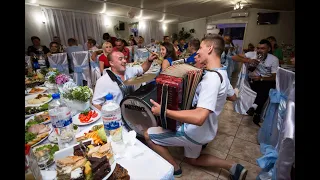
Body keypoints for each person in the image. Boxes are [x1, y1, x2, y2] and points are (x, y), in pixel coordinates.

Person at [144, 34, 245, 180]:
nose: (198, 53)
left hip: (193, 131)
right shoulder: (222, 73)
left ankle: (175, 168)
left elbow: (198, 118)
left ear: (210, 49)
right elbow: (233, 97)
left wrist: (163, 111)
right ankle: (233, 166)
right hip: (208, 130)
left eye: (201, 49)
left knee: (148, 135)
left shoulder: (211, 79)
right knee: (193, 160)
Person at [232, 39, 279, 126]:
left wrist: (261, 78)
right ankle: (257, 112)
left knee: (265, 87)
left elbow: (274, 77)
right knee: (263, 90)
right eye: (258, 48)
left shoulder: (274, 59)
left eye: (262, 48)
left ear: (268, 49)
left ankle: (254, 107)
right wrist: (248, 61)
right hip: (253, 81)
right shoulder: (252, 54)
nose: (259, 50)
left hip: (266, 81)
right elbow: (234, 57)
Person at [92, 51, 157, 109]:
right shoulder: (102, 81)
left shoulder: (129, 70)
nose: (125, 61)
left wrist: (149, 60)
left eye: (124, 58)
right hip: (117, 115)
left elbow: (142, 69)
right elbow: (96, 103)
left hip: (133, 109)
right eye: (120, 59)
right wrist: (109, 116)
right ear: (111, 63)